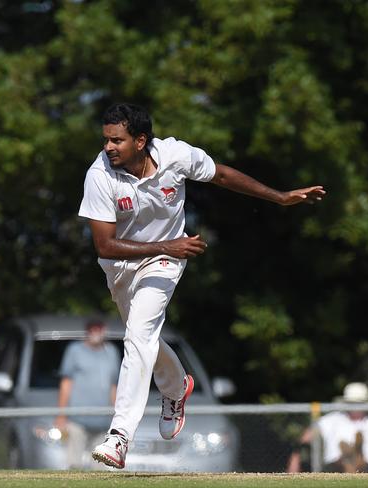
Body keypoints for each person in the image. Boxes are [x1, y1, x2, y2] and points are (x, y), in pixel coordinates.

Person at [79, 103, 325, 469]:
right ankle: (177, 388)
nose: (108, 147)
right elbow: (105, 245)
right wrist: (169, 244)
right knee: (141, 336)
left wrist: (279, 197)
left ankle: (119, 437)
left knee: (138, 335)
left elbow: (221, 175)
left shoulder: (175, 155)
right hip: (122, 264)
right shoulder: (99, 175)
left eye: (117, 140)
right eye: (106, 140)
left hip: (164, 262)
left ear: (141, 141)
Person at [54, 318, 120, 468]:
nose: (95, 332)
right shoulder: (75, 350)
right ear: (87, 331)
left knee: (100, 468)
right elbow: (66, 384)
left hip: (103, 421)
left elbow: (113, 386)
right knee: (74, 466)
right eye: (92, 329)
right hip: (77, 419)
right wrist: (61, 414)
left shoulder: (112, 352)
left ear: (104, 330)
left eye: (98, 328)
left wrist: (117, 417)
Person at [287, 382, 368, 473]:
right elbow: (307, 436)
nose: (356, 408)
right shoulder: (333, 419)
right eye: (352, 404)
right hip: (336, 466)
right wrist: (297, 450)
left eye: (359, 404)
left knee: (362, 464)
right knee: (341, 461)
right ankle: (350, 458)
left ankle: (356, 457)